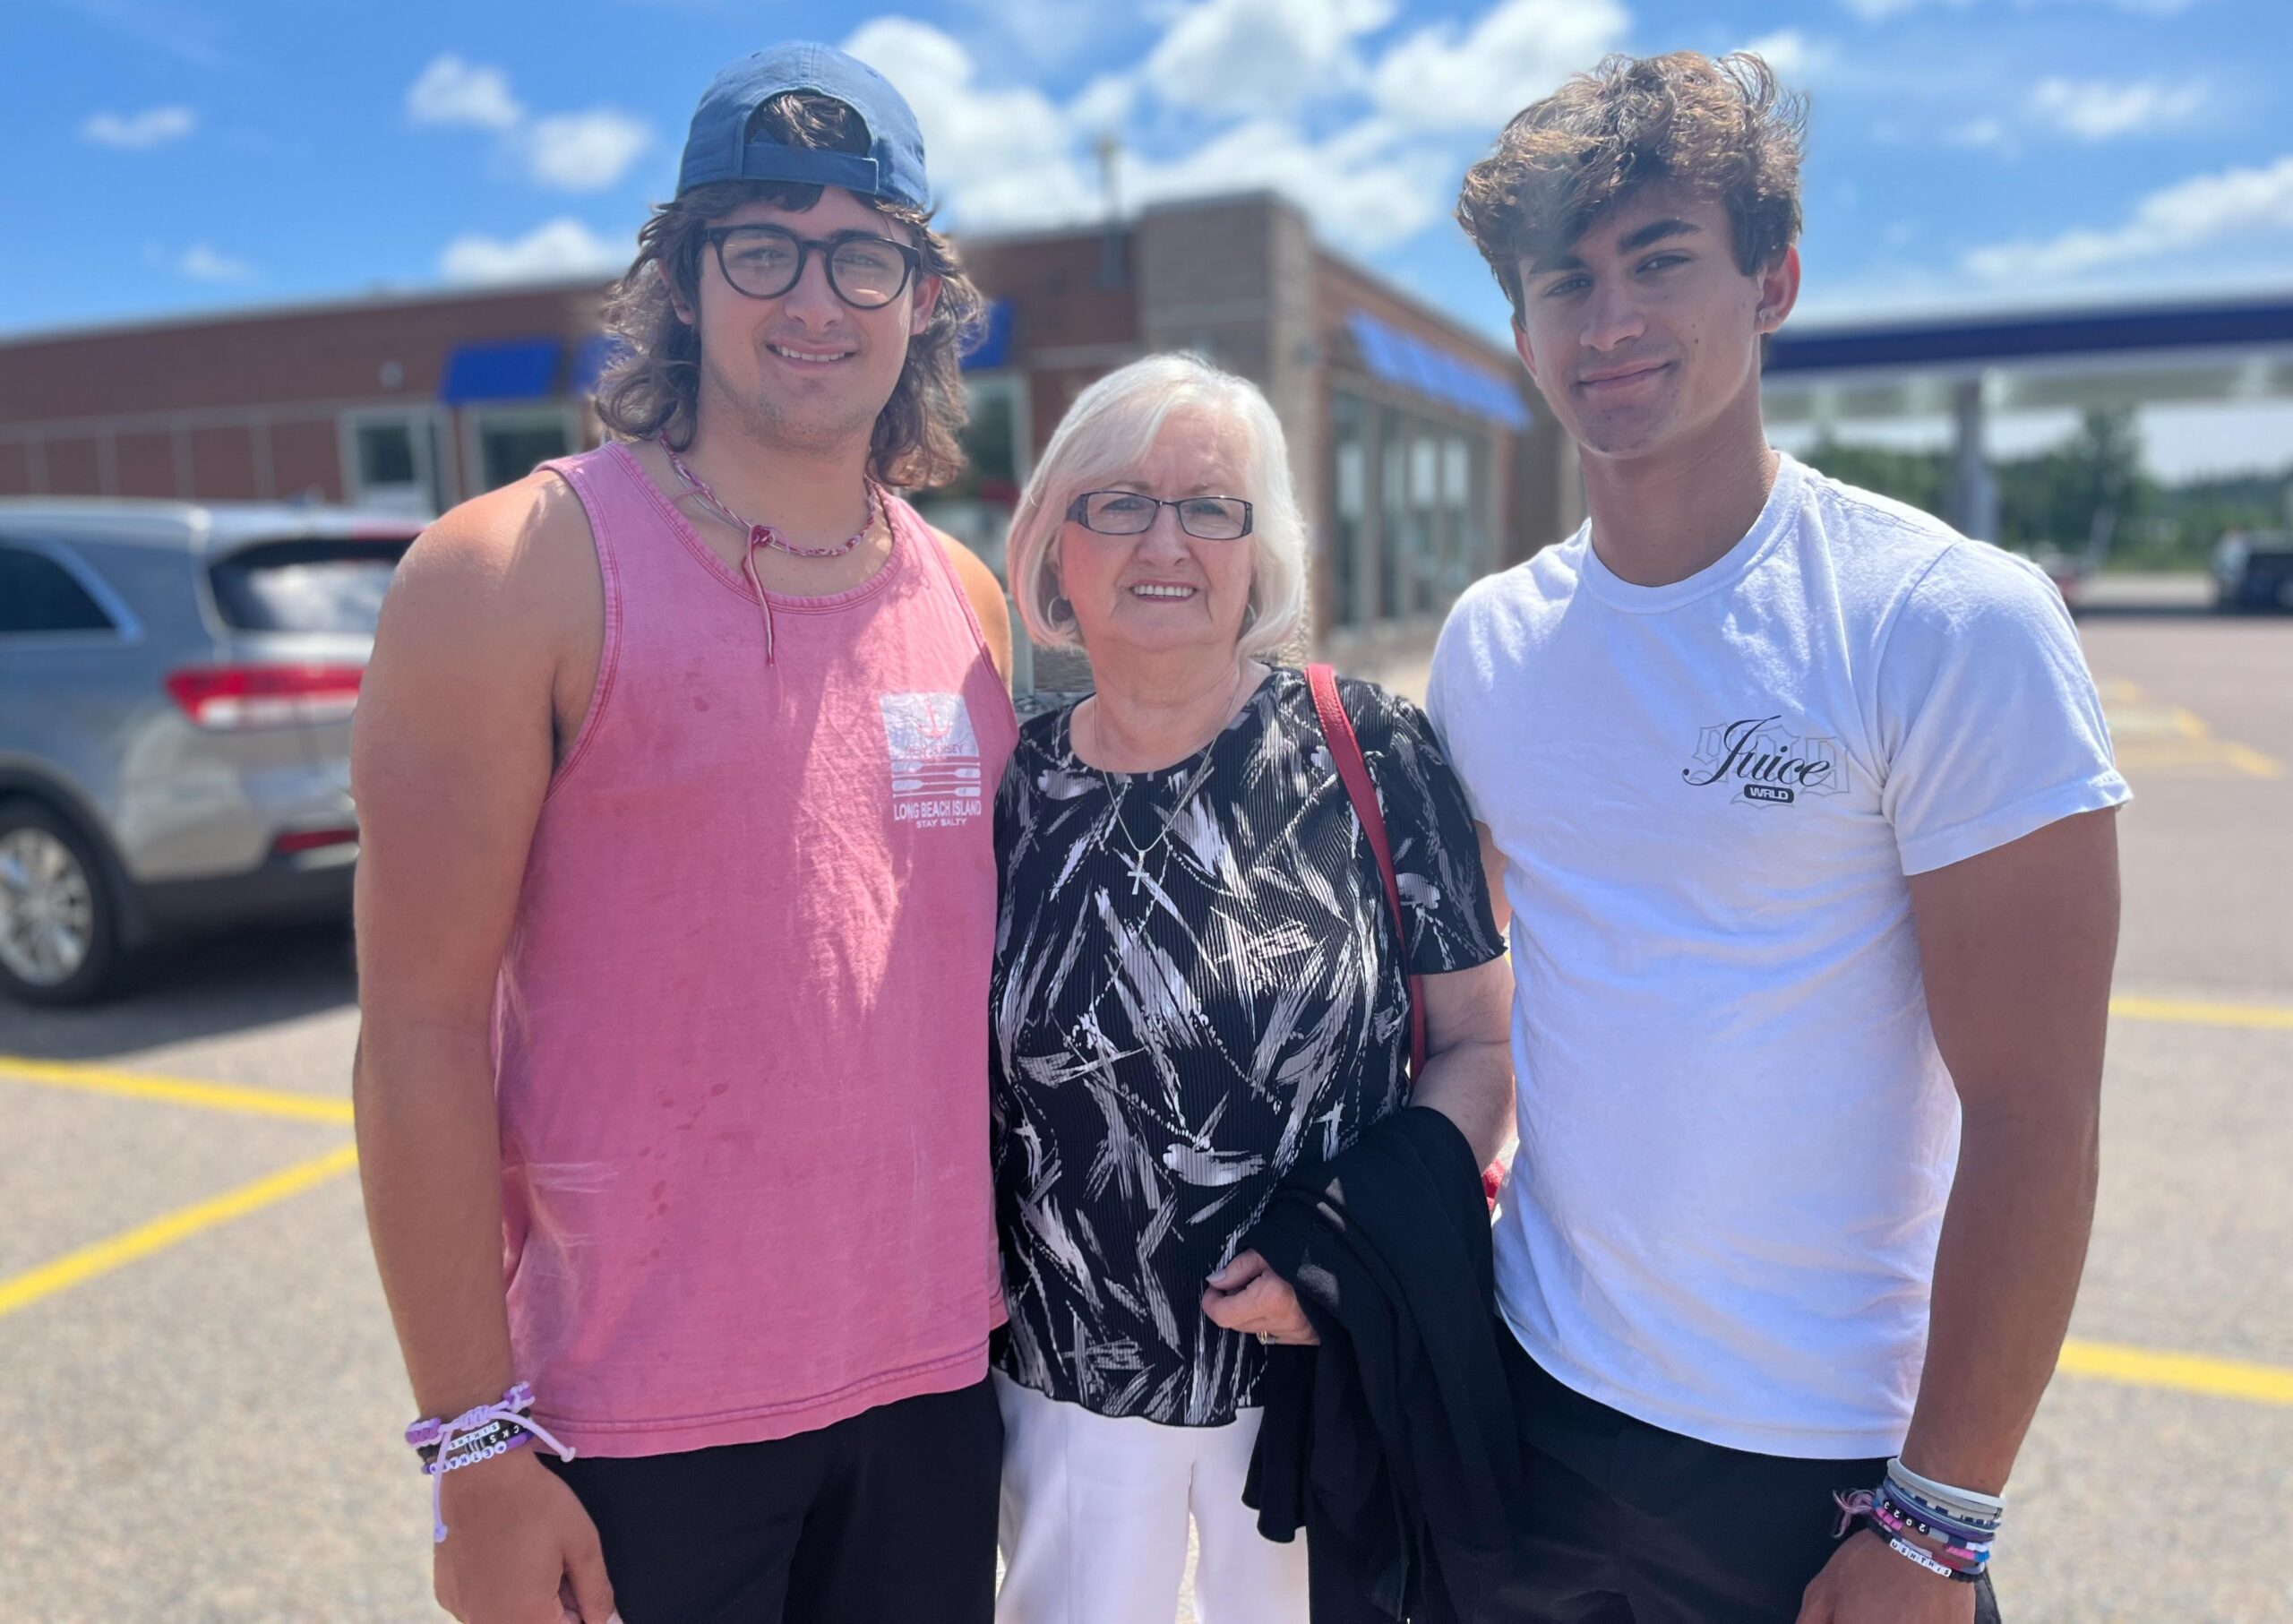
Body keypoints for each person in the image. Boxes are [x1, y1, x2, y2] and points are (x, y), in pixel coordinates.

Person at [1436, 50, 2127, 1624]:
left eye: (1661, 260)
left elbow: (2037, 1110)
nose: (1608, 321)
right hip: (1535, 1409)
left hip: (1823, 1467)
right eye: (1566, 280)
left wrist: (1938, 1524)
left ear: (1776, 279)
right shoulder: (1492, 641)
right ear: (1524, 324)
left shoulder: (1943, 622)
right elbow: (1473, 999)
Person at [350, 43, 1015, 1624]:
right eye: (763, 244)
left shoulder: (968, 599)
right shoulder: (514, 570)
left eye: (866, 251)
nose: (815, 296)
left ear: (922, 294)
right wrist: (472, 1444)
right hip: (630, 1422)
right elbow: (418, 1029)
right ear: (687, 278)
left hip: (933, 1392)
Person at [985, 354, 1516, 1624]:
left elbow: (1482, 1044)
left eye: (1210, 506)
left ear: (1258, 551)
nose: (1165, 538)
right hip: (1061, 1390)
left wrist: (1337, 1257)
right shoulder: (1004, 786)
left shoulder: (1371, 747)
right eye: (1118, 501)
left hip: (1313, 1385)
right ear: (1056, 544)